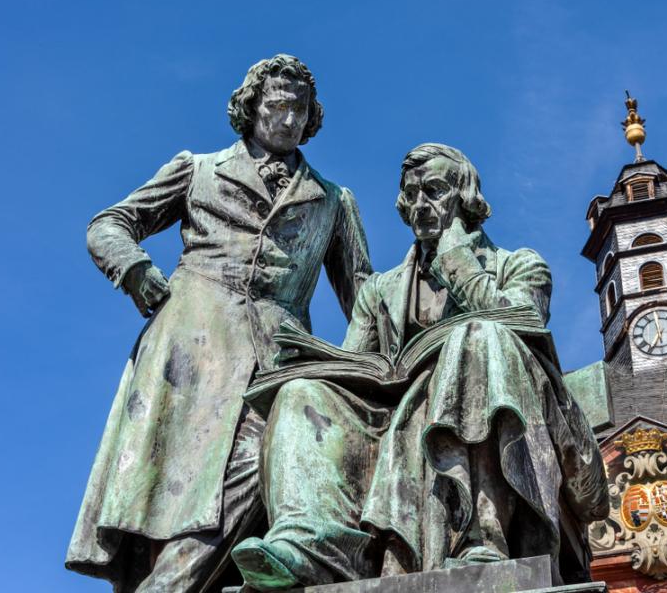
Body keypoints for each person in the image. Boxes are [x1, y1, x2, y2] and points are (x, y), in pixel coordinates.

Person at [231, 143, 608, 591]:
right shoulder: (381, 290)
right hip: (395, 414)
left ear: (465, 198)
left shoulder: (520, 265)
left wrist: (458, 262)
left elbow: (525, 321)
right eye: (410, 195)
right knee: (303, 392)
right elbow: (357, 367)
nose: (420, 205)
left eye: (434, 191)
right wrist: (318, 363)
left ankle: (481, 535)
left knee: (478, 337)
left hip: (495, 401)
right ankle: (311, 545)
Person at [66, 54, 371, 592]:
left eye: (300, 109)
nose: (290, 119)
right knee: (170, 490)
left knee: (263, 455)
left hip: (278, 355)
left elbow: (365, 298)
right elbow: (110, 223)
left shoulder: (333, 201)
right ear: (252, 107)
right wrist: (134, 269)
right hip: (188, 347)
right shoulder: (198, 169)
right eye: (278, 105)